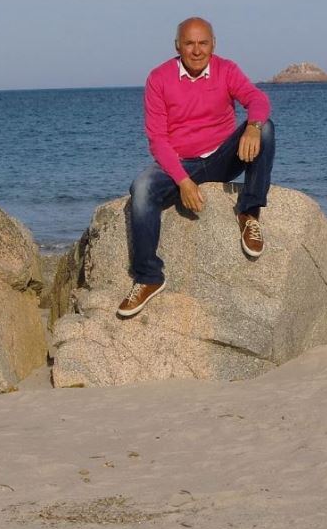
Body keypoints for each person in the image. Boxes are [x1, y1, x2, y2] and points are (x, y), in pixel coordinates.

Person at [118, 16, 276, 318]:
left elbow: (257, 99)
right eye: (189, 43)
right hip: (181, 163)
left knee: (265, 127)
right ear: (177, 46)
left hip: (223, 158)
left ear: (213, 44)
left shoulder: (226, 69)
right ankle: (149, 276)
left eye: (203, 43)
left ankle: (249, 212)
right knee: (141, 188)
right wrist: (182, 180)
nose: (197, 50)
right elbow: (158, 140)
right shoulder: (159, 78)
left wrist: (253, 126)